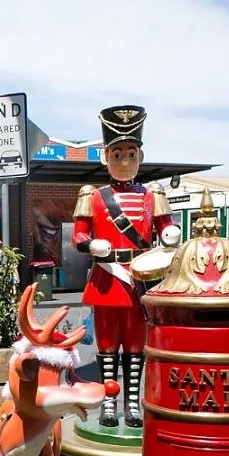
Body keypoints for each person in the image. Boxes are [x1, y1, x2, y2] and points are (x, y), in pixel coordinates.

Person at [72, 105, 181, 428]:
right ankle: (109, 402)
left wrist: (169, 233)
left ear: (140, 158)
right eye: (117, 155)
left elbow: (164, 227)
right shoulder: (93, 195)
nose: (123, 162)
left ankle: (132, 403)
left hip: (140, 281)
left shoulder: (153, 194)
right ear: (106, 157)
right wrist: (91, 244)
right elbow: (79, 234)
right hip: (107, 280)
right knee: (107, 348)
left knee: (135, 347)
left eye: (130, 155)